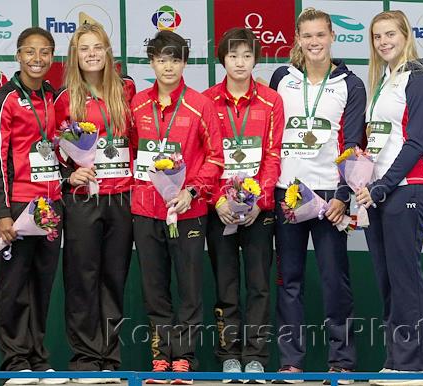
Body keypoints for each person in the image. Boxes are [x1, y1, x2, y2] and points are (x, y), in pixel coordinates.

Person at [269, 8, 366, 384]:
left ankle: (341, 362)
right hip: (287, 193)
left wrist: (344, 194)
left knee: (334, 280)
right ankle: (291, 362)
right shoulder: (282, 77)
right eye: (307, 35)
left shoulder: (350, 84)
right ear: (297, 39)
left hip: (330, 196)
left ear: (331, 37)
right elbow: (271, 134)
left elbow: (354, 143)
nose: (314, 42)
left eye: (320, 35)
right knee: (289, 280)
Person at [356, 10, 423, 386]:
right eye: (377, 37)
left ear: (406, 34)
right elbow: (378, 143)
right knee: (388, 280)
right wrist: (363, 183)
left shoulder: (421, 75)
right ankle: (396, 361)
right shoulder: (384, 80)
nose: (383, 42)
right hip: (379, 193)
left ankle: (416, 366)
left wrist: (383, 186)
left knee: (406, 278)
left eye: (390, 34)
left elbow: (416, 142)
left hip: (406, 187)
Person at [129, 31, 224, 385]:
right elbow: (132, 151)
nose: (168, 66)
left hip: (189, 211)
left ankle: (183, 358)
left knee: (188, 288)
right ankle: (160, 358)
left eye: (175, 59)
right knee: (154, 288)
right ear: (151, 62)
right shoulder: (137, 104)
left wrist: (194, 191)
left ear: (185, 62)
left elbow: (216, 157)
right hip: (146, 209)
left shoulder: (201, 105)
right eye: (161, 59)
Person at [0, 27, 68, 385]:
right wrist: (2, 212)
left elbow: (62, 147)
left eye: (45, 52)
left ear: (53, 58)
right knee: (14, 285)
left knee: (41, 285)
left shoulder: (54, 96)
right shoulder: (3, 99)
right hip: (19, 204)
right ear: (18, 56)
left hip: (51, 206)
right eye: (30, 52)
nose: (38, 59)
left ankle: (38, 360)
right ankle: (14, 362)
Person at [54, 23, 135, 384]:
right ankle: (85, 361)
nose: (91, 54)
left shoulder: (126, 90)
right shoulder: (65, 97)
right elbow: (51, 149)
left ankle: (109, 360)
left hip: (122, 196)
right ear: (75, 55)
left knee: (113, 279)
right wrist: (68, 175)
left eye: (97, 47)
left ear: (107, 52)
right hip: (84, 200)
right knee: (82, 279)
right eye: (84, 48)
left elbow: (139, 138)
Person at [203, 27, 284, 382]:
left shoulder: (270, 101)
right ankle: (228, 355)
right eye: (233, 55)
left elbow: (272, 155)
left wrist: (257, 200)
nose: (240, 62)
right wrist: (219, 198)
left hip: (258, 211)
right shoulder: (205, 101)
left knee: (259, 285)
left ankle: (256, 355)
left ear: (256, 59)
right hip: (218, 209)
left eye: (247, 56)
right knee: (226, 285)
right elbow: (204, 157)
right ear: (222, 59)